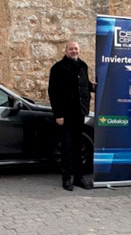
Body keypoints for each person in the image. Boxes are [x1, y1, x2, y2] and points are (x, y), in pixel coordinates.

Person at [48, 40, 95, 191]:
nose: (74, 51)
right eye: (71, 49)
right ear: (66, 51)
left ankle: (78, 178)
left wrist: (95, 87)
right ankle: (67, 178)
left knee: (77, 146)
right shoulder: (58, 68)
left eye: (76, 49)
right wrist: (58, 114)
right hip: (65, 114)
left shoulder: (83, 65)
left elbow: (84, 85)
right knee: (66, 147)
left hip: (79, 113)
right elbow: (53, 92)